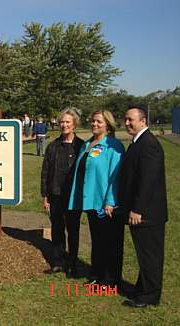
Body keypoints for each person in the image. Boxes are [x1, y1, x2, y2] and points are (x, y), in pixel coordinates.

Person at [68, 110, 125, 287]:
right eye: (93, 121)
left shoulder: (113, 145)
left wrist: (110, 201)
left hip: (105, 203)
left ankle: (109, 279)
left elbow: (116, 176)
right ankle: (97, 274)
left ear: (108, 124)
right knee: (97, 239)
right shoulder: (87, 144)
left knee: (109, 241)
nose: (94, 124)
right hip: (90, 201)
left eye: (99, 122)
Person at [119, 107, 168, 308]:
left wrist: (137, 209)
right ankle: (142, 288)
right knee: (144, 253)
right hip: (142, 211)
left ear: (143, 120)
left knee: (150, 255)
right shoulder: (138, 142)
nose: (127, 123)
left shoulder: (149, 144)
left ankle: (149, 296)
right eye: (126, 120)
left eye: (131, 120)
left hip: (147, 213)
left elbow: (147, 181)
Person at [41, 108, 83, 276]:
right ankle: (58, 262)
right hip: (55, 195)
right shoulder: (53, 146)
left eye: (68, 122)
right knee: (57, 230)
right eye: (62, 122)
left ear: (74, 124)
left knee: (73, 230)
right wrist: (45, 196)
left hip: (73, 196)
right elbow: (45, 172)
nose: (64, 125)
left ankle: (72, 263)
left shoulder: (81, 146)